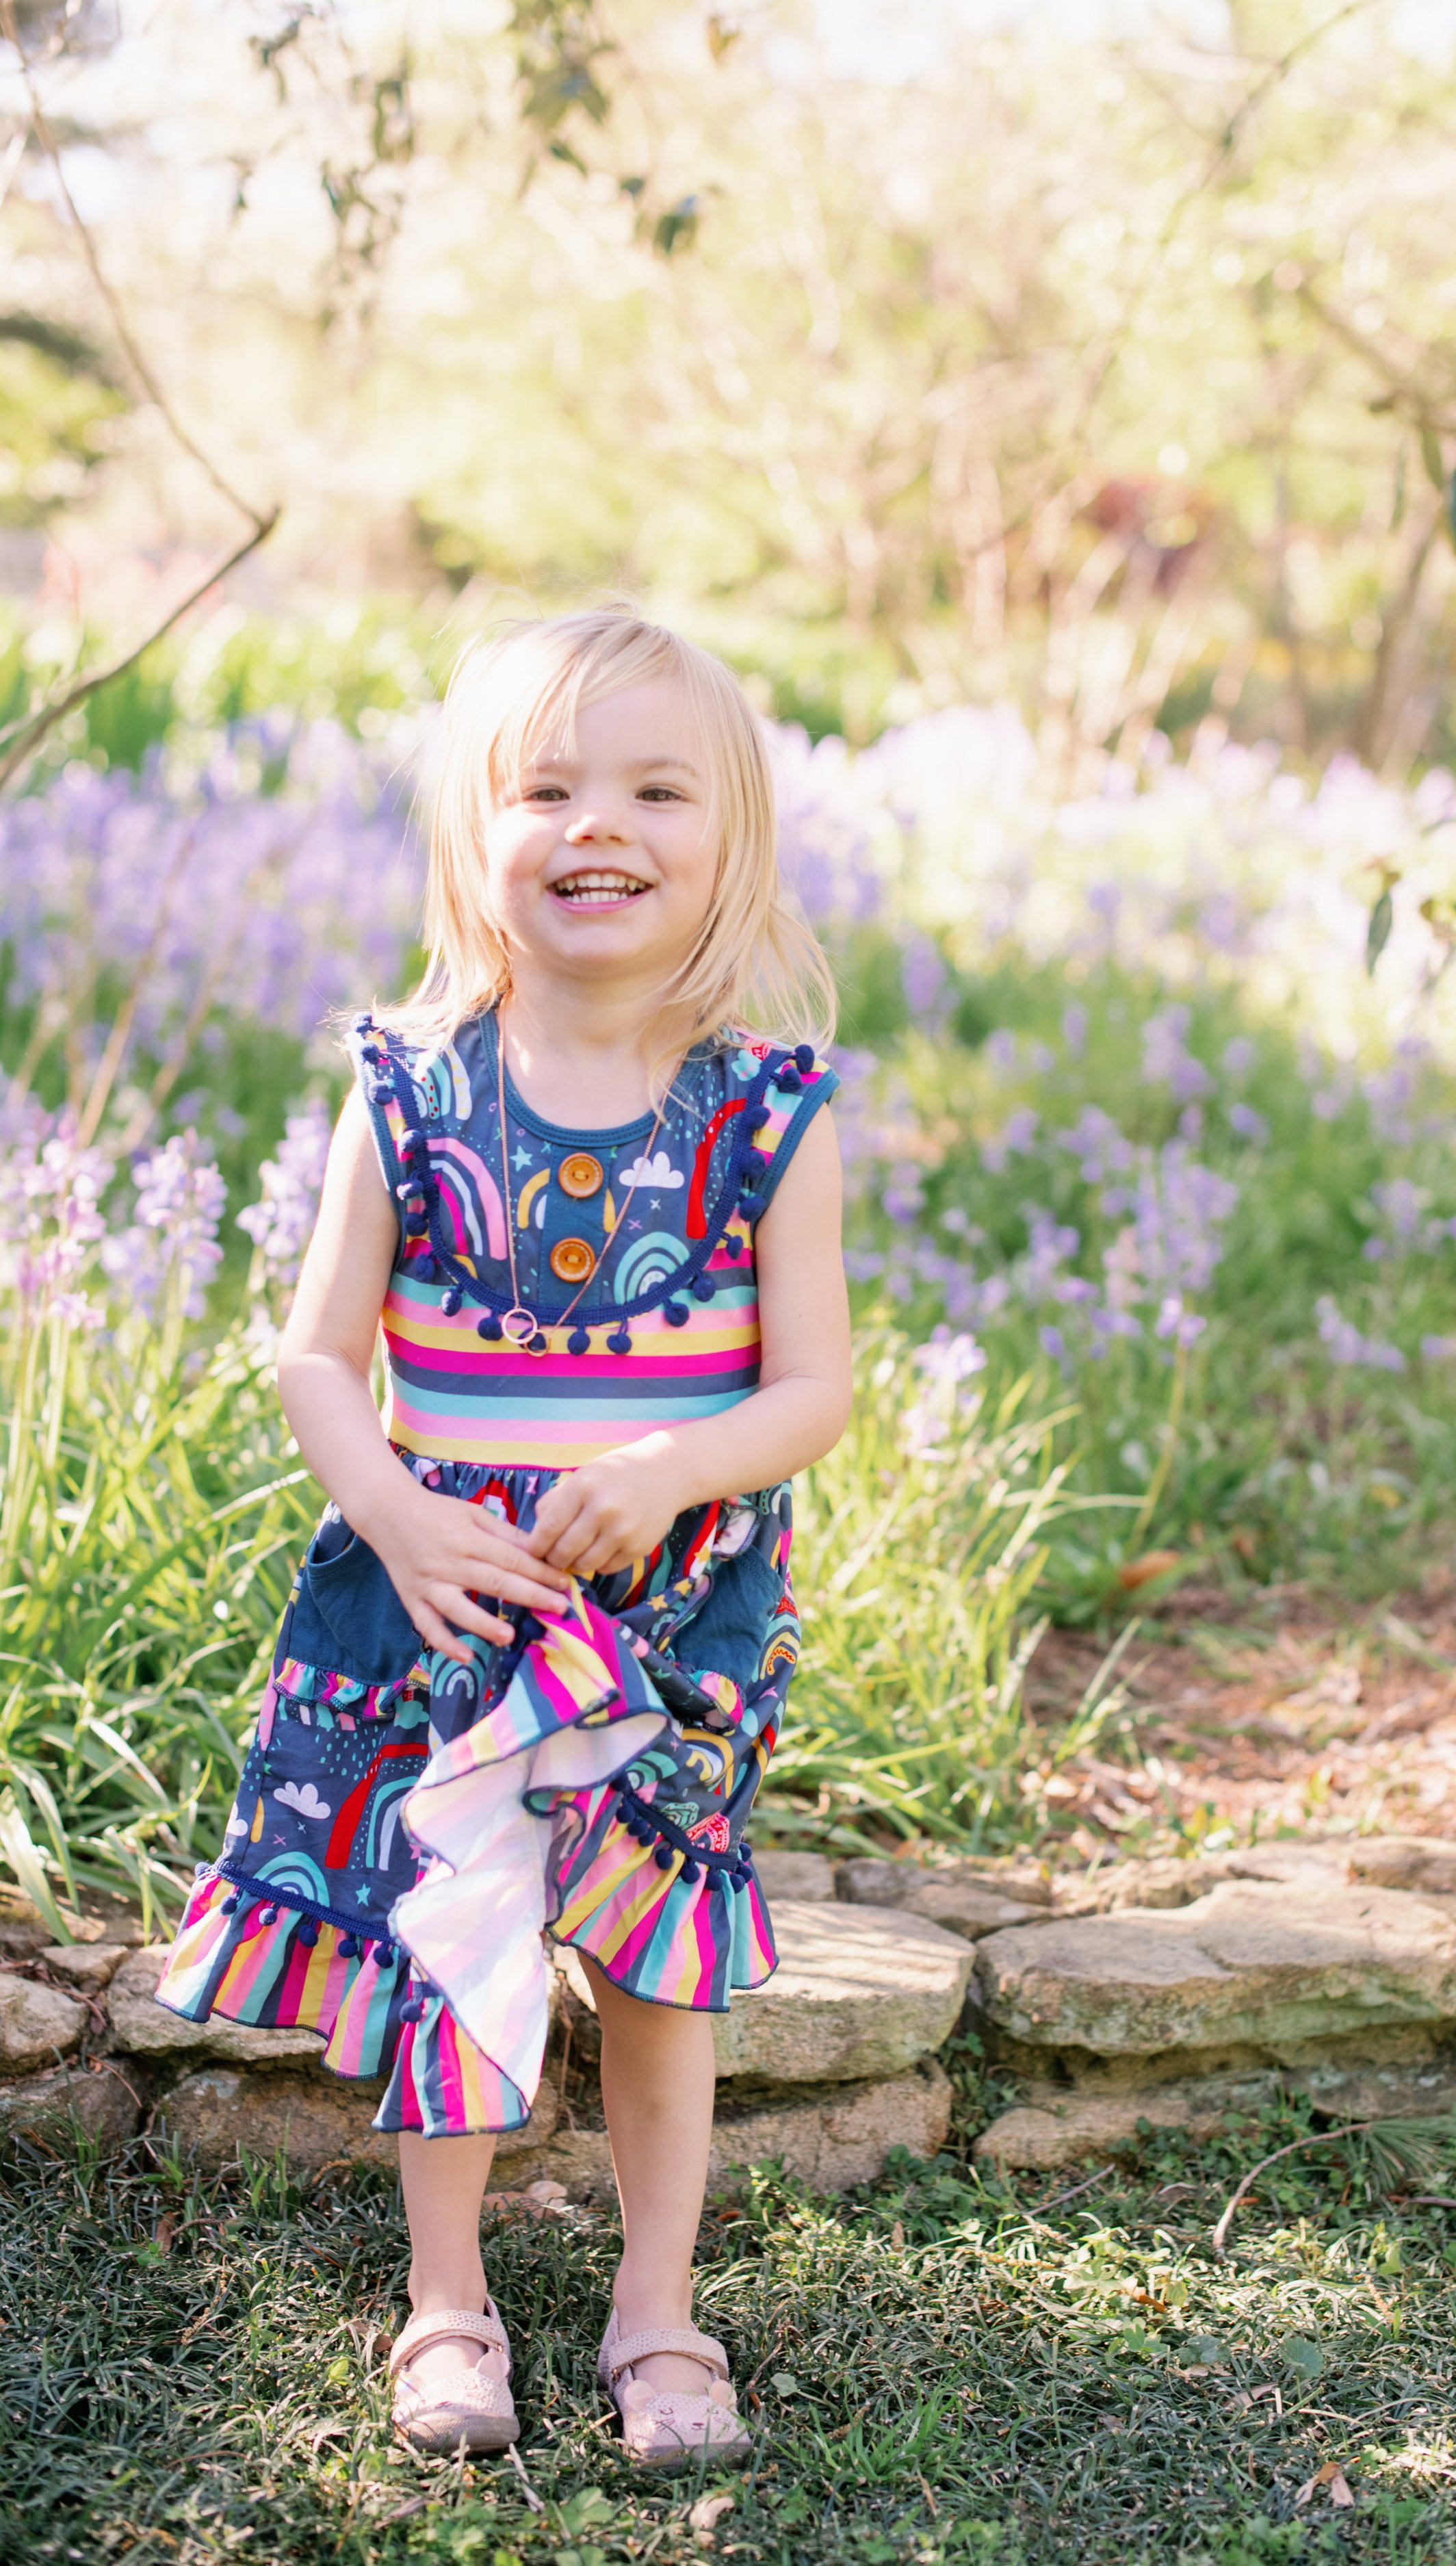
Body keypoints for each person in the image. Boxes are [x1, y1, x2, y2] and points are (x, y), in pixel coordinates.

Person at [153, 609, 850, 2468]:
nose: (592, 824)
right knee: (448, 1934)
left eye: (648, 788)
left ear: (729, 840)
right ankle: (446, 2299)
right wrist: (389, 1511)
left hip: (662, 1625)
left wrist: (681, 1467)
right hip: (441, 1610)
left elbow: (814, 1393)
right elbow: (310, 1353)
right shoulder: (409, 1086)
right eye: (542, 787)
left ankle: (655, 2309)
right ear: (478, 833)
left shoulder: (766, 1113)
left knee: (653, 1962)